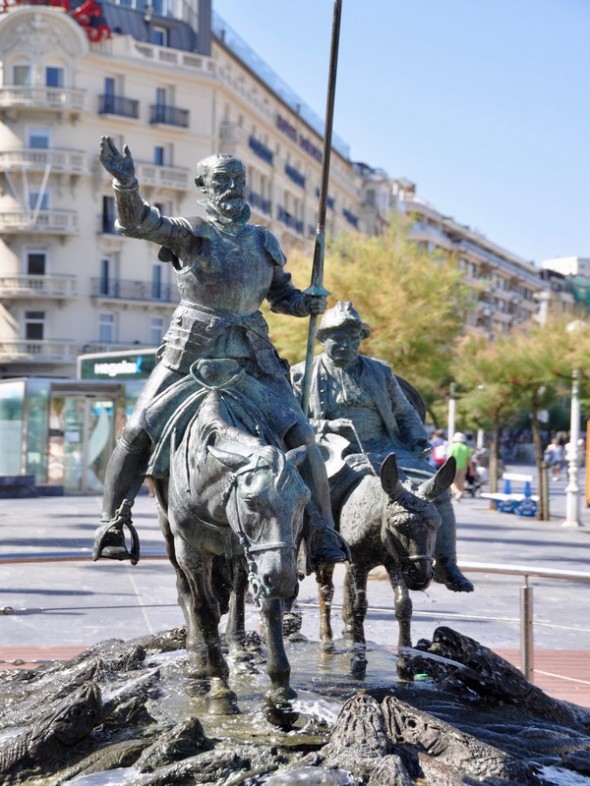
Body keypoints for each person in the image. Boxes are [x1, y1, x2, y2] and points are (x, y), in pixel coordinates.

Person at [92, 137, 348, 568]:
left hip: (253, 356)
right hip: (191, 354)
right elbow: (138, 223)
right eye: (221, 180)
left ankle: (321, 528)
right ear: (203, 186)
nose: (232, 187)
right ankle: (113, 520)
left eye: (237, 179)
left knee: (302, 434)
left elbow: (281, 296)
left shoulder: (264, 241)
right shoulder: (191, 233)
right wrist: (126, 184)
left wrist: (306, 303)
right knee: (137, 429)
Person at [291, 301, 474, 593]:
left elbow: (404, 412)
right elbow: (292, 419)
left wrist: (418, 441)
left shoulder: (380, 372)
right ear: (323, 339)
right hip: (331, 450)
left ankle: (446, 563)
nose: (344, 345)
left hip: (386, 447)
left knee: (436, 490)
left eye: (352, 339)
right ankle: (301, 556)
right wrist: (326, 426)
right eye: (336, 338)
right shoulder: (303, 374)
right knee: (304, 493)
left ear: (360, 340)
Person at [447, 432, 473, 501]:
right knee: (461, 482)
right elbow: (469, 460)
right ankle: (459, 496)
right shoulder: (466, 448)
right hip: (463, 467)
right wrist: (471, 469)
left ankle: (457, 492)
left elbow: (449, 458)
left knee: (451, 482)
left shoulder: (452, 447)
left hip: (453, 467)